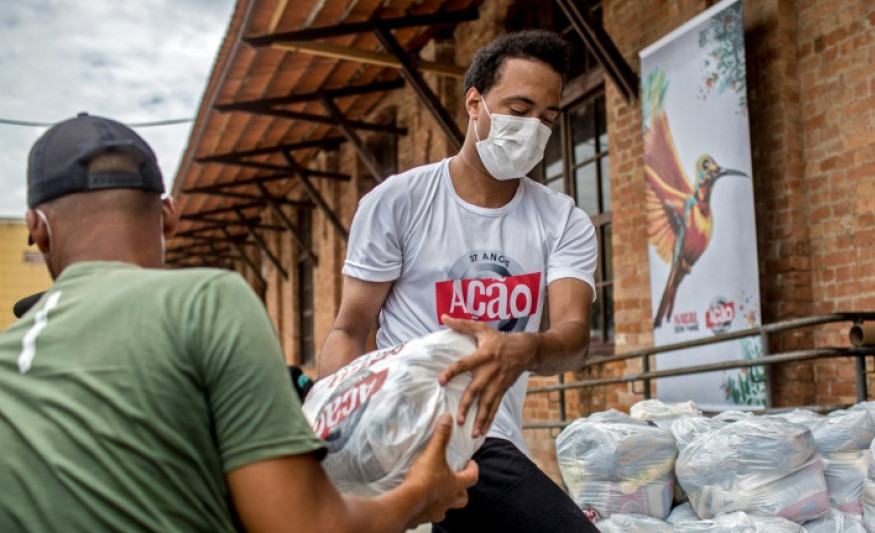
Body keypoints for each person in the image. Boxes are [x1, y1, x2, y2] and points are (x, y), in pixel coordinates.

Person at [0, 113, 477, 533]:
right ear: (168, 216)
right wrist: (419, 495)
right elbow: (307, 527)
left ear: (37, 229)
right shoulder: (207, 301)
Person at [319, 30, 600, 532]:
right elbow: (348, 328)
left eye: (548, 117)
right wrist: (344, 432)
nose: (534, 127)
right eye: (519, 108)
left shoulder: (562, 221)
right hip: (404, 430)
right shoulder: (398, 202)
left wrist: (522, 350)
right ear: (475, 102)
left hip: (484, 442)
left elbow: (574, 337)